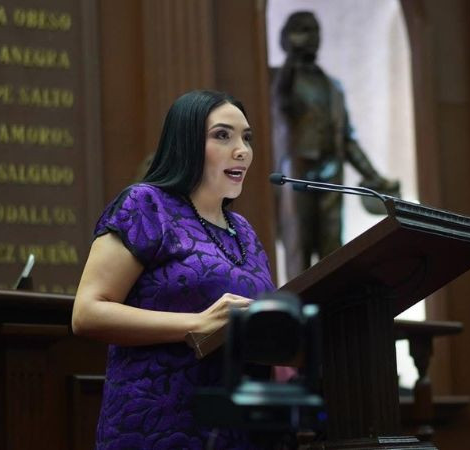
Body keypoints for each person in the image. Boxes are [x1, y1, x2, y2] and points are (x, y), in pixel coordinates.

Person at [72, 90, 274, 449]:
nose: (241, 149)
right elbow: (87, 313)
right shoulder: (146, 204)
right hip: (156, 424)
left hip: (237, 429)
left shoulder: (243, 229)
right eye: (222, 135)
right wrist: (195, 325)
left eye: (247, 137)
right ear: (186, 142)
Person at [271, 11, 399, 280]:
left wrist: (373, 175)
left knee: (333, 253)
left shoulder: (333, 87)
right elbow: (281, 102)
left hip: (331, 175)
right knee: (299, 255)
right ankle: (301, 318)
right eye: (302, 29)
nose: (312, 36)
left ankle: (333, 315)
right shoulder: (282, 81)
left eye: (315, 30)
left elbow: (347, 139)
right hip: (296, 176)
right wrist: (291, 57)